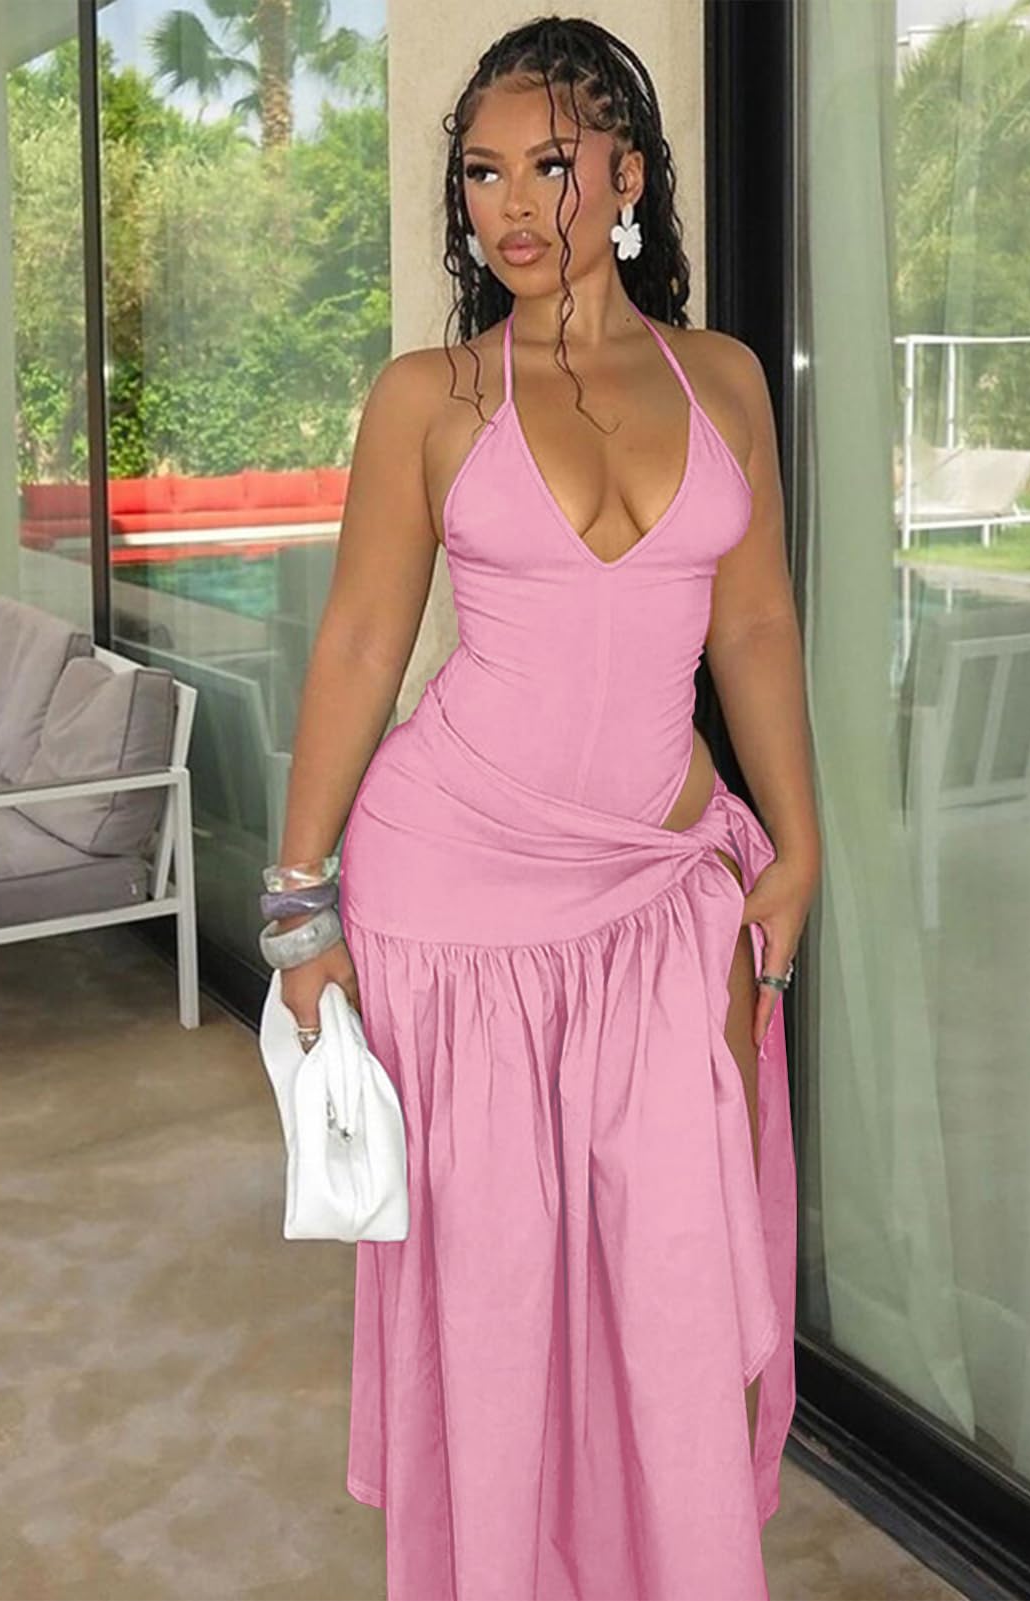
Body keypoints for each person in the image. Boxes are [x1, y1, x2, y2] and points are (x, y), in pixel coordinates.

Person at [266, 17, 820, 1598]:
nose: (511, 207)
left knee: (673, 1277)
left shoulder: (722, 380)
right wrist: (297, 902)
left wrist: (798, 841)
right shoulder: (429, 396)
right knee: (501, 1300)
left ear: (627, 178)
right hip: (451, 897)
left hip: (659, 892)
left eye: (551, 167)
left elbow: (752, 625)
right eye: (481, 174)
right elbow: (361, 645)